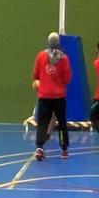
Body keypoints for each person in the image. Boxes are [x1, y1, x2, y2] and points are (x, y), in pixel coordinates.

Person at [32, 31, 73, 161]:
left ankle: (39, 147)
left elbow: (35, 74)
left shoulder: (40, 56)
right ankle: (64, 150)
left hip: (44, 95)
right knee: (61, 122)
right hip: (59, 96)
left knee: (42, 122)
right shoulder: (64, 58)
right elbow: (67, 79)